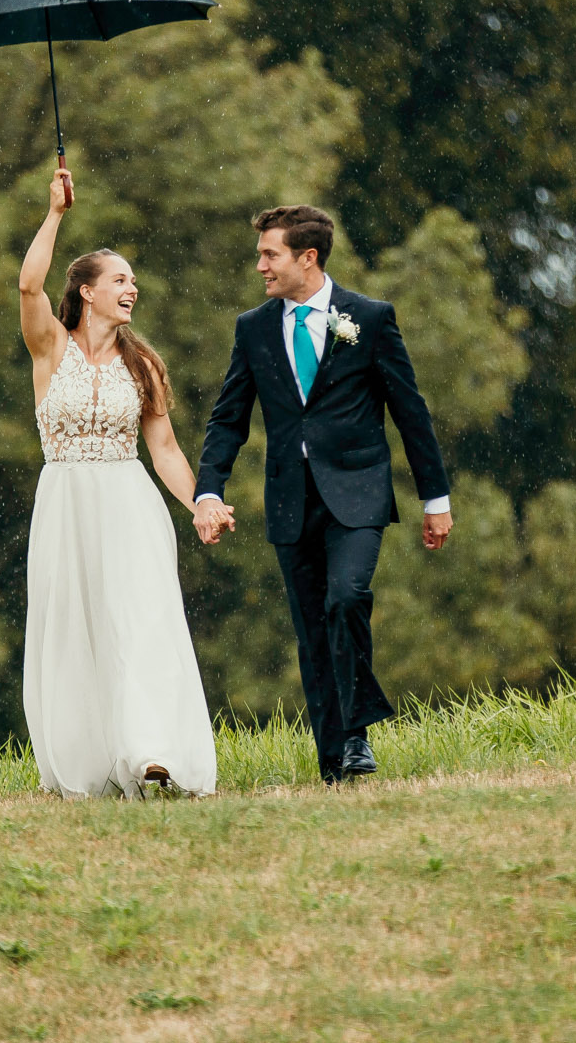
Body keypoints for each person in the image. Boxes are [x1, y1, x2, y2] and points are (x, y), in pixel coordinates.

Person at [192, 204, 452, 784]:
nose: (260, 265)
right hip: (289, 500)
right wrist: (209, 490)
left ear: (307, 257)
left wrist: (436, 501)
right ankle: (334, 761)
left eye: (269, 254)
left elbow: (411, 414)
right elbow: (228, 418)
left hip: (358, 493)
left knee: (346, 597)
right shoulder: (253, 328)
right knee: (312, 632)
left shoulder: (371, 318)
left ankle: (356, 732)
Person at [16, 163, 218, 798]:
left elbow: (164, 449)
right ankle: (87, 763)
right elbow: (27, 287)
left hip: (128, 501)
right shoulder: (50, 347)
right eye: (120, 279)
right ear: (87, 291)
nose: (133, 289)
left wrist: (199, 503)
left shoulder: (144, 365)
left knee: (140, 619)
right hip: (65, 503)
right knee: (73, 630)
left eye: (134, 280)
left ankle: (151, 751)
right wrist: (55, 213)